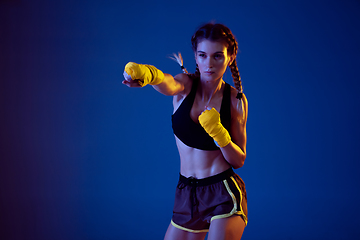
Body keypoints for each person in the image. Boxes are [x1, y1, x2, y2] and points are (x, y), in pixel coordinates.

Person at [122, 23, 248, 240]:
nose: (209, 64)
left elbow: (239, 160)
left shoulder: (235, 101)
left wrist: (220, 134)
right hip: (187, 193)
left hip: (222, 192)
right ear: (196, 57)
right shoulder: (185, 86)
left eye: (217, 56)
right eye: (202, 55)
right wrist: (148, 74)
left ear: (230, 57)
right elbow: (167, 82)